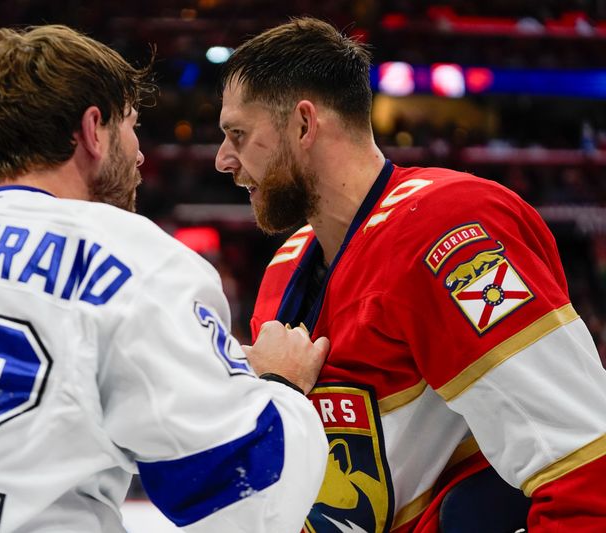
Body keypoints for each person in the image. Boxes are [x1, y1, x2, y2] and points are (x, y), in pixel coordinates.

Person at [0, 25, 330, 533]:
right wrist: (279, 386)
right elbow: (246, 504)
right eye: (131, 127)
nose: (142, 154)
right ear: (92, 130)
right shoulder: (136, 260)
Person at [215, 17, 606, 533]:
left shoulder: (452, 231)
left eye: (238, 135)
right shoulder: (285, 267)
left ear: (304, 125)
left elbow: (586, 467)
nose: (224, 160)